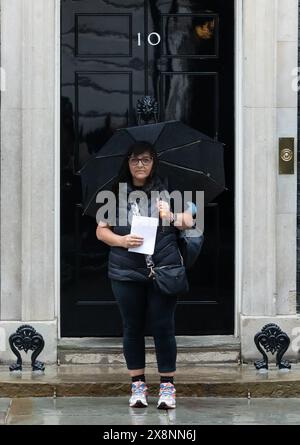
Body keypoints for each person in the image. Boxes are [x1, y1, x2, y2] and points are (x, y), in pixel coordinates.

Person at [96, 141, 194, 410]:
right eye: (134, 159)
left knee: (164, 327)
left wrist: (172, 215)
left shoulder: (170, 190)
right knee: (132, 327)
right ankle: (137, 385)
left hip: (162, 269)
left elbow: (192, 218)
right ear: (127, 163)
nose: (140, 164)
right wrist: (121, 240)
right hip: (125, 271)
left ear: (154, 163)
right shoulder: (114, 193)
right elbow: (100, 231)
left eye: (146, 159)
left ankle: (167, 387)